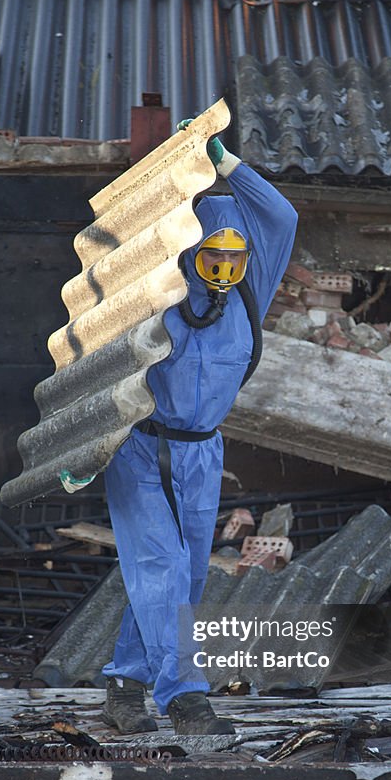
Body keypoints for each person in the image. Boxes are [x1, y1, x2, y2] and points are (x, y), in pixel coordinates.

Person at [101, 117, 298, 736]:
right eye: (214, 257)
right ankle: (187, 700)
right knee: (159, 565)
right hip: (139, 446)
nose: (226, 270)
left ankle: (126, 682)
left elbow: (282, 218)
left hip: (202, 453)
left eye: (236, 260)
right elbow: (96, 356)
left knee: (182, 575)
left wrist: (226, 162)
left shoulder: (249, 293)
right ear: (192, 251)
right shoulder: (158, 285)